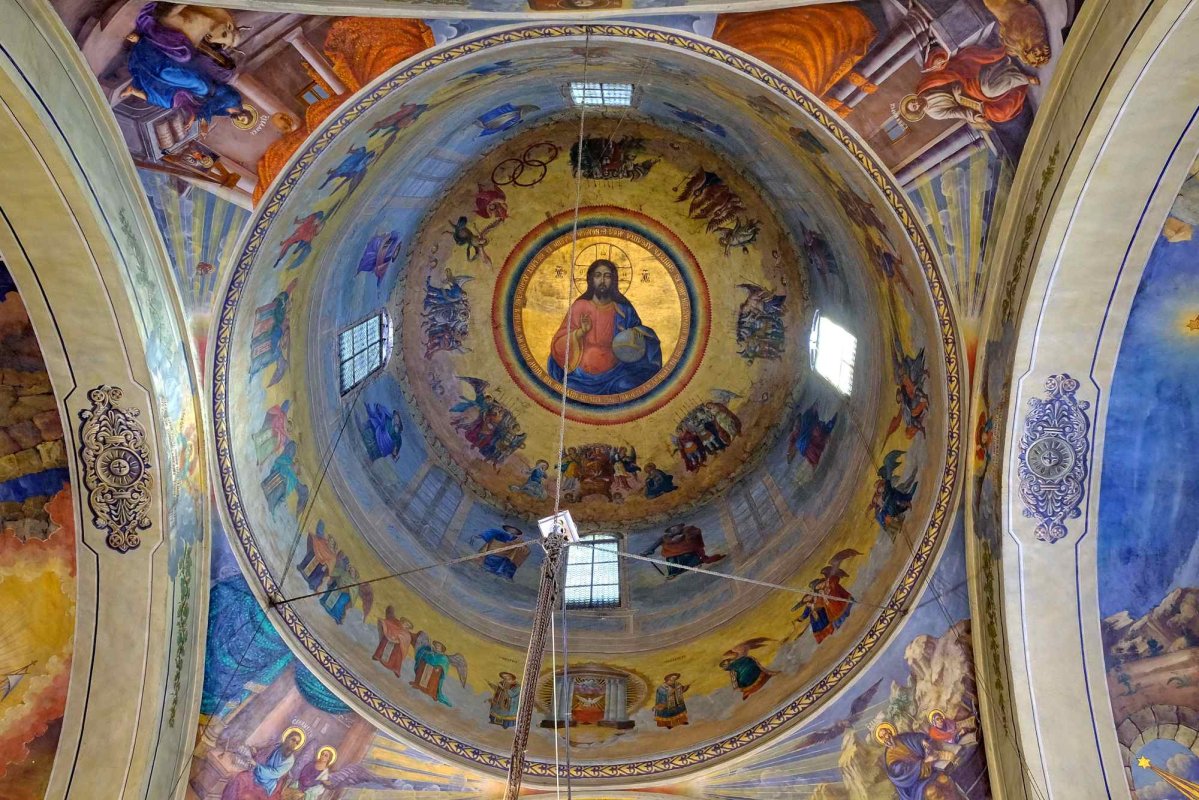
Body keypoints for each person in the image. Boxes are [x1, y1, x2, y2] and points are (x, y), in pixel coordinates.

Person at [547, 259, 662, 396]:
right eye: (598, 275)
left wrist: (632, 334)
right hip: (581, 378)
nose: (602, 280)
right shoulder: (579, 307)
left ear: (613, 280)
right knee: (570, 390)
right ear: (591, 280)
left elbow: (644, 339)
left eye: (607, 276)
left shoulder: (624, 310)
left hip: (617, 375)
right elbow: (558, 344)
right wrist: (581, 332)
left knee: (627, 386)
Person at [899, 46, 1039, 131]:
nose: (916, 104)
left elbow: (937, 72)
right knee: (998, 113)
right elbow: (957, 112)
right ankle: (1010, 75)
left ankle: (1020, 76)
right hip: (965, 97)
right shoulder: (934, 113)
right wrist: (973, 116)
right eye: (915, 108)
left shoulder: (924, 87)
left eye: (913, 103)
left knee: (988, 89)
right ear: (918, 112)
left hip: (961, 76)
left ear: (913, 99)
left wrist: (938, 63)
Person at [875, 722, 966, 800]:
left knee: (945, 780)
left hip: (929, 772)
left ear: (890, 731)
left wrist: (923, 742)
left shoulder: (902, 738)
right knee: (932, 791)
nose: (886, 736)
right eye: (883, 736)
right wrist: (925, 762)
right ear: (882, 740)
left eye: (886, 733)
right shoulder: (890, 757)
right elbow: (905, 773)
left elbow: (915, 737)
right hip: (914, 784)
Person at [221, 727, 305, 800]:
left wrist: (257, 765)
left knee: (247, 794)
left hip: (266, 783)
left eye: (297, 743)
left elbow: (274, 773)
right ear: (287, 738)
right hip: (256, 773)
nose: (294, 744)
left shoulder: (290, 760)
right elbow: (264, 755)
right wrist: (255, 752)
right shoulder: (277, 746)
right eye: (293, 740)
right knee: (239, 778)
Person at [643, 524, 726, 579]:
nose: (674, 530)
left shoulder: (688, 530)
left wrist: (685, 536)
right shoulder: (665, 538)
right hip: (673, 556)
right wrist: (646, 552)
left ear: (680, 527)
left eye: (675, 528)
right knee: (671, 560)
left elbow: (695, 534)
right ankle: (673, 572)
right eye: (672, 529)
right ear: (669, 531)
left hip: (689, 553)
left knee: (687, 556)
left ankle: (693, 564)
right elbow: (655, 544)